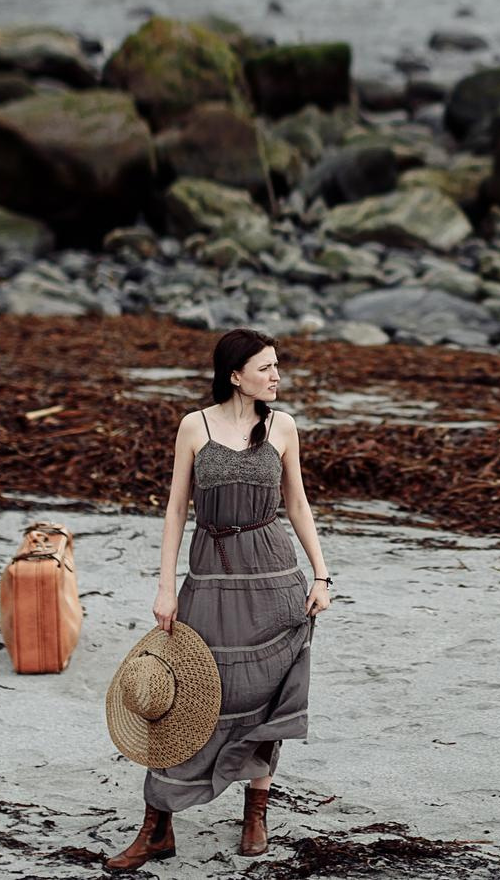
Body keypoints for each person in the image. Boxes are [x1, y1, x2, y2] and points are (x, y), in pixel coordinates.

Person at [106, 330, 331, 867]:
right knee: (186, 696)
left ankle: (256, 810)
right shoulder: (194, 425)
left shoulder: (283, 426)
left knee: (265, 693)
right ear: (235, 375)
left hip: (275, 576)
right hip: (210, 575)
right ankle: (157, 827)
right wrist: (165, 586)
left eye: (278, 366)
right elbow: (175, 510)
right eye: (265, 367)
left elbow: (296, 505)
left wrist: (322, 576)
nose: (276, 376)